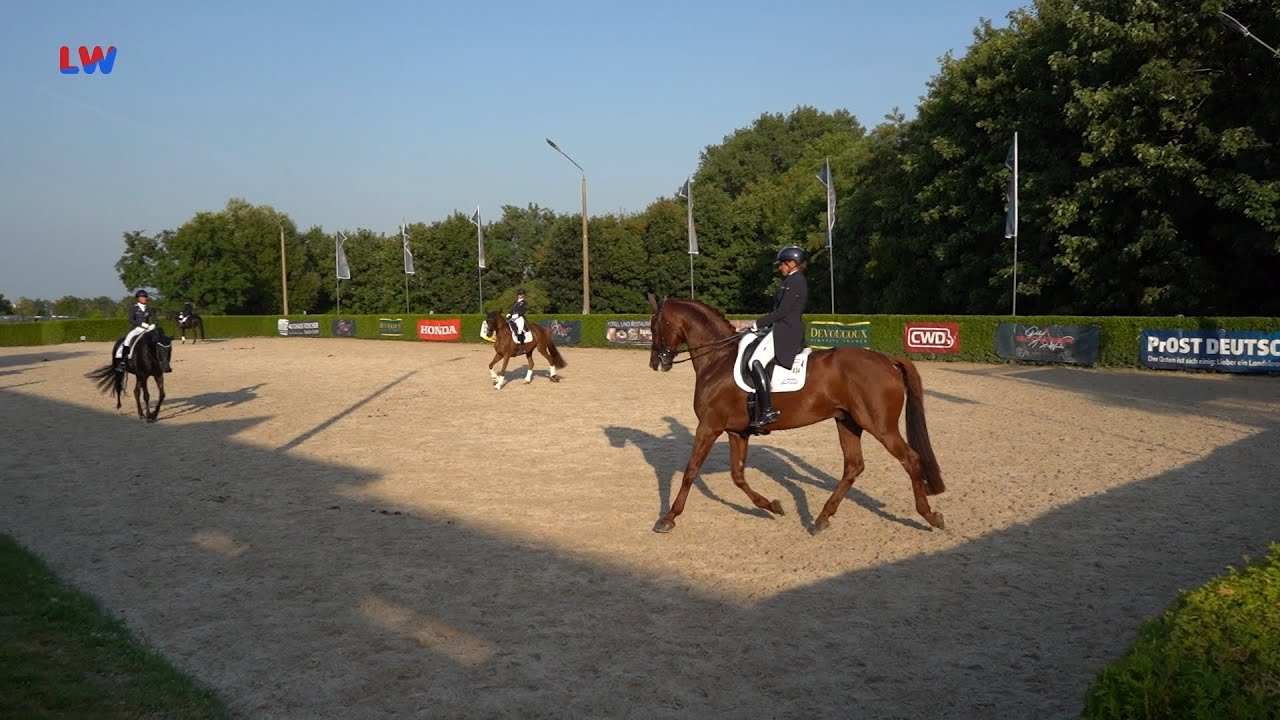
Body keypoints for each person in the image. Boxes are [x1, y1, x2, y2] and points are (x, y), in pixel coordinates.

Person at [748, 245, 809, 428]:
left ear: (792, 263)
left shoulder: (796, 281)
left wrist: (758, 324)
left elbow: (782, 311)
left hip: (786, 331)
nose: (780, 267)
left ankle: (768, 410)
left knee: (755, 362)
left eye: (782, 264)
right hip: (781, 328)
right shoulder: (791, 280)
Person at [116, 289, 167, 371]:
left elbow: (154, 318)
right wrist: (141, 324)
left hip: (147, 330)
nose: (144, 298)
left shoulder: (149, 308)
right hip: (137, 329)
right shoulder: (133, 308)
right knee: (127, 340)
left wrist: (153, 324)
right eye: (142, 297)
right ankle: (122, 362)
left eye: (145, 297)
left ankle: (159, 360)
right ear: (138, 298)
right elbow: (131, 319)